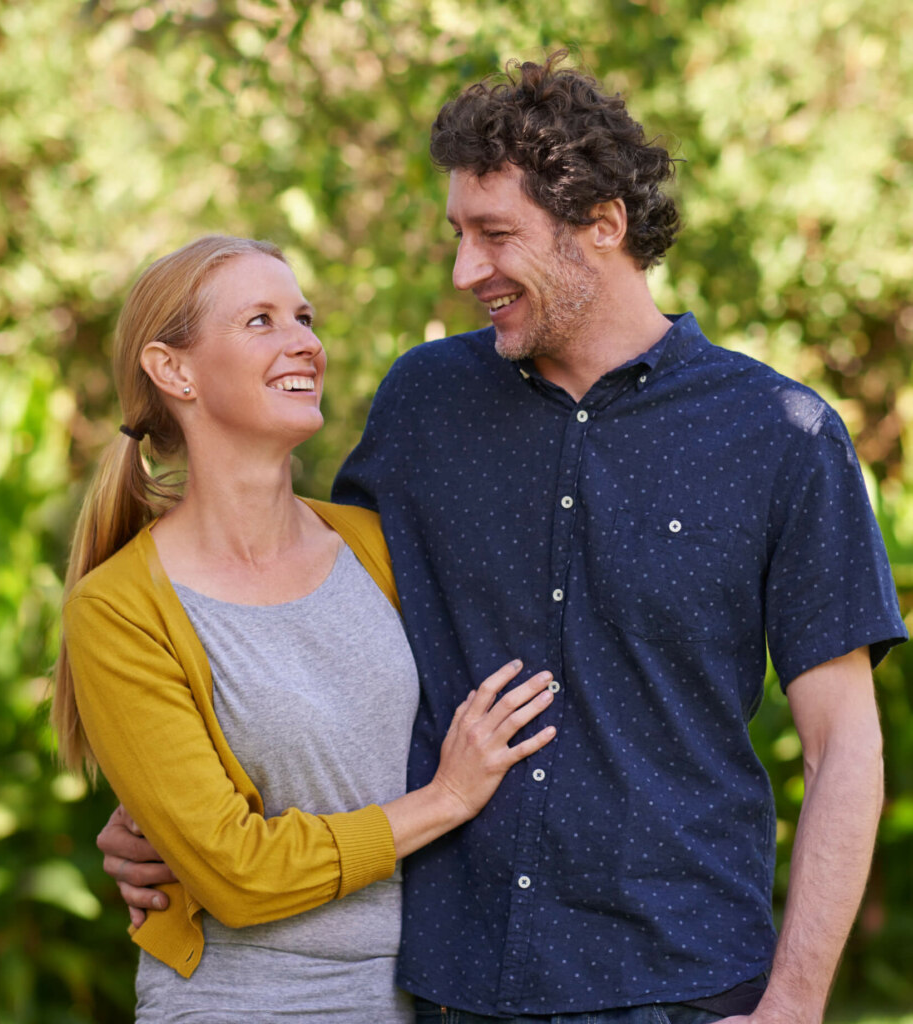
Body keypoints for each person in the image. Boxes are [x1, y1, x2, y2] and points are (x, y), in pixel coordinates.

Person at [102, 55, 907, 1024]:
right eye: (456, 234)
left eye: (494, 235)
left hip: (684, 986)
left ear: (601, 225)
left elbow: (842, 749)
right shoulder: (423, 402)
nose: (462, 271)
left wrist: (794, 1002)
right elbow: (305, 620)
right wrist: (175, 818)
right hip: (449, 985)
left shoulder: (780, 436)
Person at [54, 234, 557, 1023]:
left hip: (431, 996)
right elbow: (234, 874)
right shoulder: (119, 611)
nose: (305, 342)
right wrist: (445, 798)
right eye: (260, 320)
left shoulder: (377, 546)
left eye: (304, 316)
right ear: (172, 369)